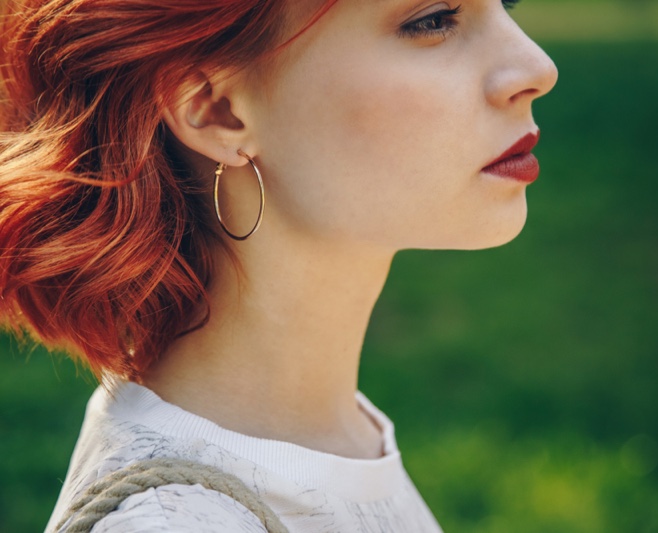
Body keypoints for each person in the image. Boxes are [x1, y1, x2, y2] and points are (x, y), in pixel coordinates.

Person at [0, 0, 557, 530]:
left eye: (503, 4)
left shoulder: (330, 436)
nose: (537, 67)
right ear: (215, 109)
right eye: (434, 19)